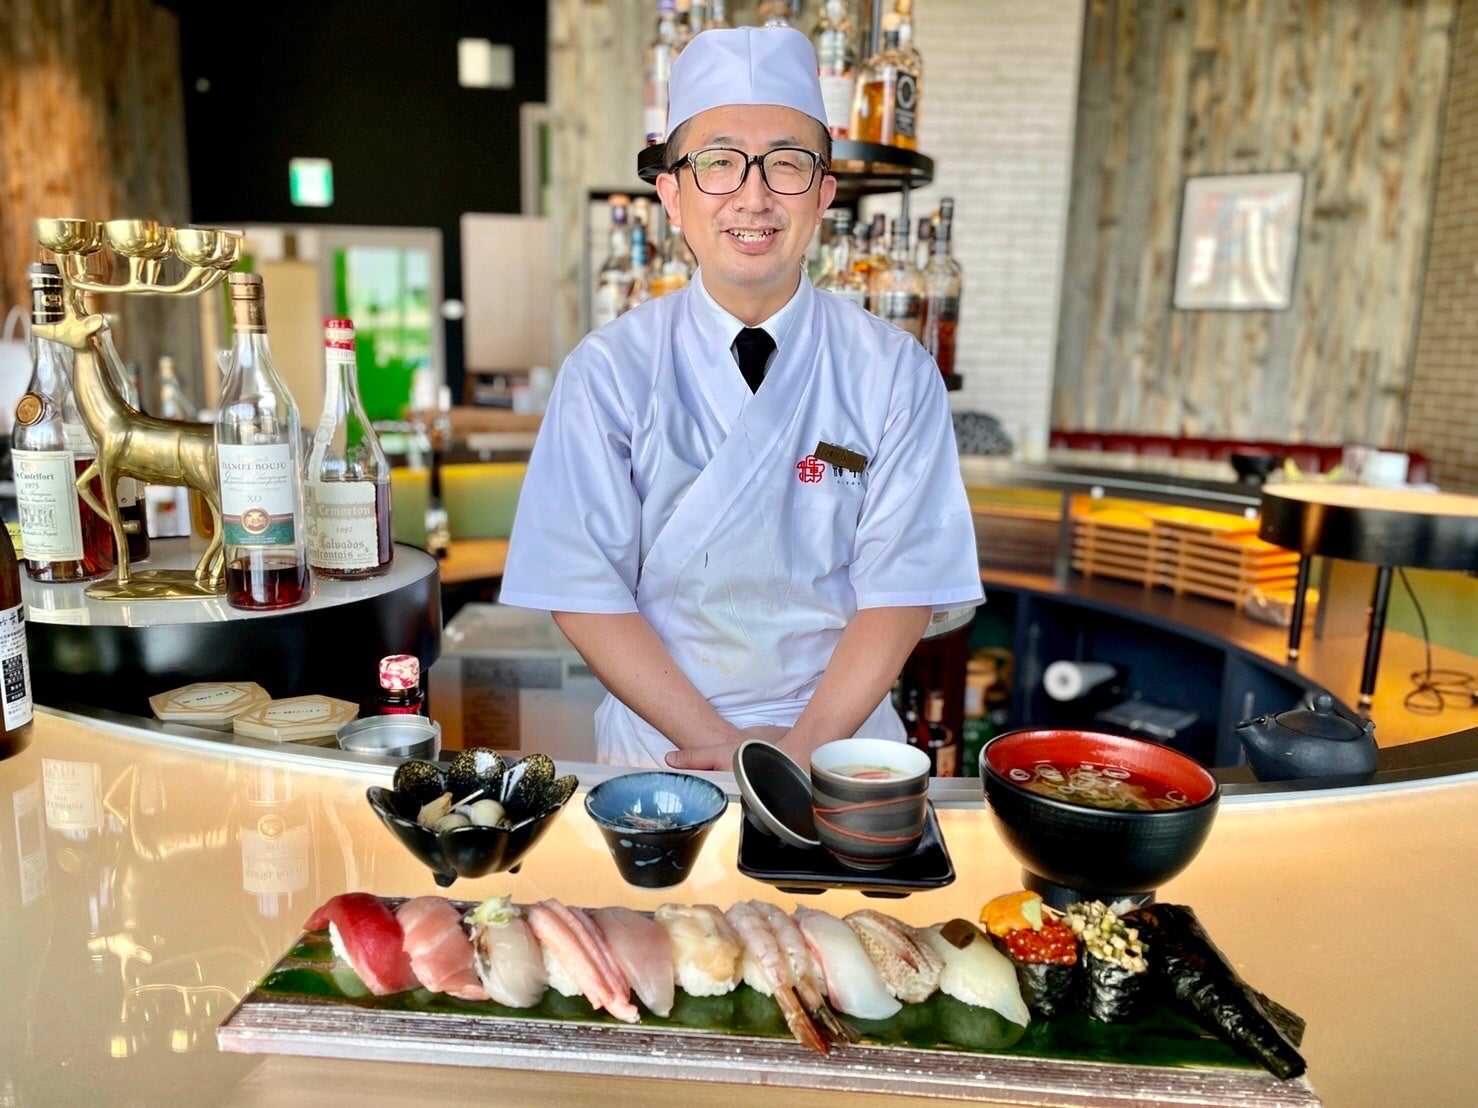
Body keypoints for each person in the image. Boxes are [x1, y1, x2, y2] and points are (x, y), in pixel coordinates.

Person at [500, 26, 982, 771]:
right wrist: (717, 744)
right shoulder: (608, 370)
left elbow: (905, 584)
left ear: (824, 194)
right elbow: (581, 585)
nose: (753, 197)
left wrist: (804, 748)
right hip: (664, 747)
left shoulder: (894, 370)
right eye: (719, 163)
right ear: (671, 193)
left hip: (842, 749)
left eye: (786, 165)